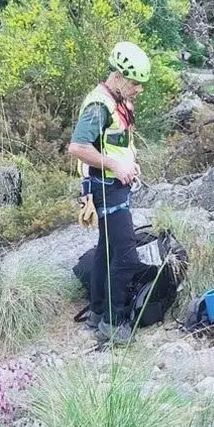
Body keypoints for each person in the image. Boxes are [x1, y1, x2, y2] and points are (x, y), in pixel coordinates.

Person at [68, 42, 152, 344]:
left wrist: (130, 163)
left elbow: (116, 143)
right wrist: (115, 165)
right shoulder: (98, 106)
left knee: (108, 251)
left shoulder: (116, 102)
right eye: (134, 83)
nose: (138, 89)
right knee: (127, 255)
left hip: (116, 185)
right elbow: (77, 147)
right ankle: (113, 323)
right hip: (106, 189)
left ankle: (98, 313)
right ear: (118, 76)